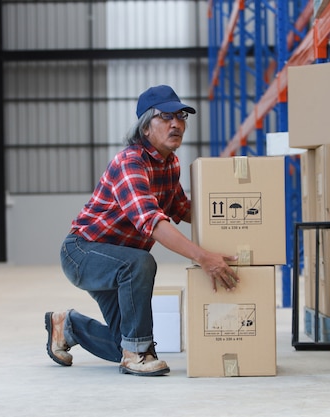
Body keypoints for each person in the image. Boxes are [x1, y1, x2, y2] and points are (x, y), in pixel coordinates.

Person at [44, 85, 240, 376]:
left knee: (118, 343)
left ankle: (68, 326)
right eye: (166, 117)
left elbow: (182, 210)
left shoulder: (170, 164)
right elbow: (152, 221)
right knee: (140, 264)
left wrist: (236, 217)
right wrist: (203, 257)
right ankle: (138, 353)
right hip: (83, 252)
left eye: (181, 116)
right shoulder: (129, 162)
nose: (176, 124)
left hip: (119, 262)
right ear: (145, 128)